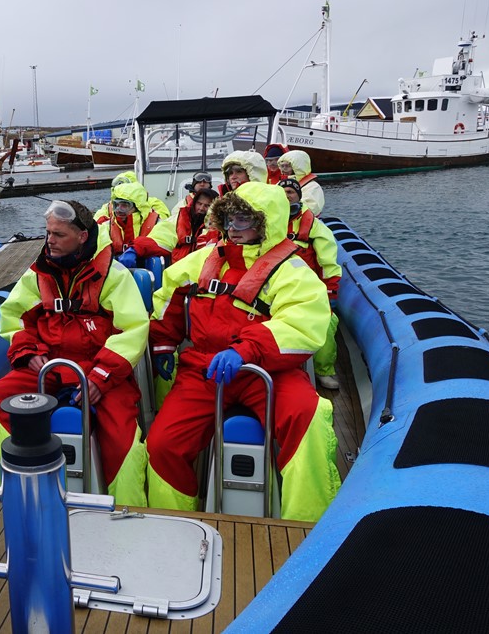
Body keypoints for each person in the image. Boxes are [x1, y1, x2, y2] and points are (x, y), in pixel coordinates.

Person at [146, 181, 341, 522]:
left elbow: (303, 325)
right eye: (229, 220)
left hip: (266, 373)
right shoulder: (205, 259)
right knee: (162, 444)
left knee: (308, 419)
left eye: (243, 221)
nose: (232, 230)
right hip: (205, 370)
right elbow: (170, 295)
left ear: (266, 223)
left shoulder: (293, 272)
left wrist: (248, 349)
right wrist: (163, 343)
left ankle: (307, 526)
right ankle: (173, 526)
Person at [0, 200, 149, 505]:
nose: (49, 240)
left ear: (82, 236)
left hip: (100, 374)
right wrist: (27, 351)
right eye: (48, 232)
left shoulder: (114, 276)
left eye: (58, 234)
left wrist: (99, 377)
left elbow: (132, 329)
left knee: (126, 444)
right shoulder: (37, 275)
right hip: (47, 368)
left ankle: (126, 512)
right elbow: (15, 317)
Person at [280, 178, 341, 389]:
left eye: (291, 191)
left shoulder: (313, 225)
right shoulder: (269, 221)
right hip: (277, 289)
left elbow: (327, 261)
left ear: (298, 195)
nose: (287, 196)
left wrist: (330, 292)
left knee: (327, 323)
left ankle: (324, 370)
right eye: (283, 192)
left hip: (309, 289)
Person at [132, 186, 219, 264]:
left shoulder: (218, 226)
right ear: (194, 203)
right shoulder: (179, 219)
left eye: (207, 206)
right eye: (199, 204)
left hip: (202, 267)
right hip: (179, 267)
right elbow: (159, 238)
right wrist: (136, 248)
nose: (201, 208)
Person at [95, 177, 166, 262]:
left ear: (138, 207)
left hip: (146, 270)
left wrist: (135, 249)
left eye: (124, 205)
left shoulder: (157, 224)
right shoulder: (107, 227)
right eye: (116, 205)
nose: (118, 210)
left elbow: (164, 242)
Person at [278, 149, 325, 216]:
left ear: (298, 167)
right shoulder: (280, 183)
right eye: (282, 166)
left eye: (287, 166)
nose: (284, 169)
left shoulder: (313, 187)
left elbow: (311, 209)